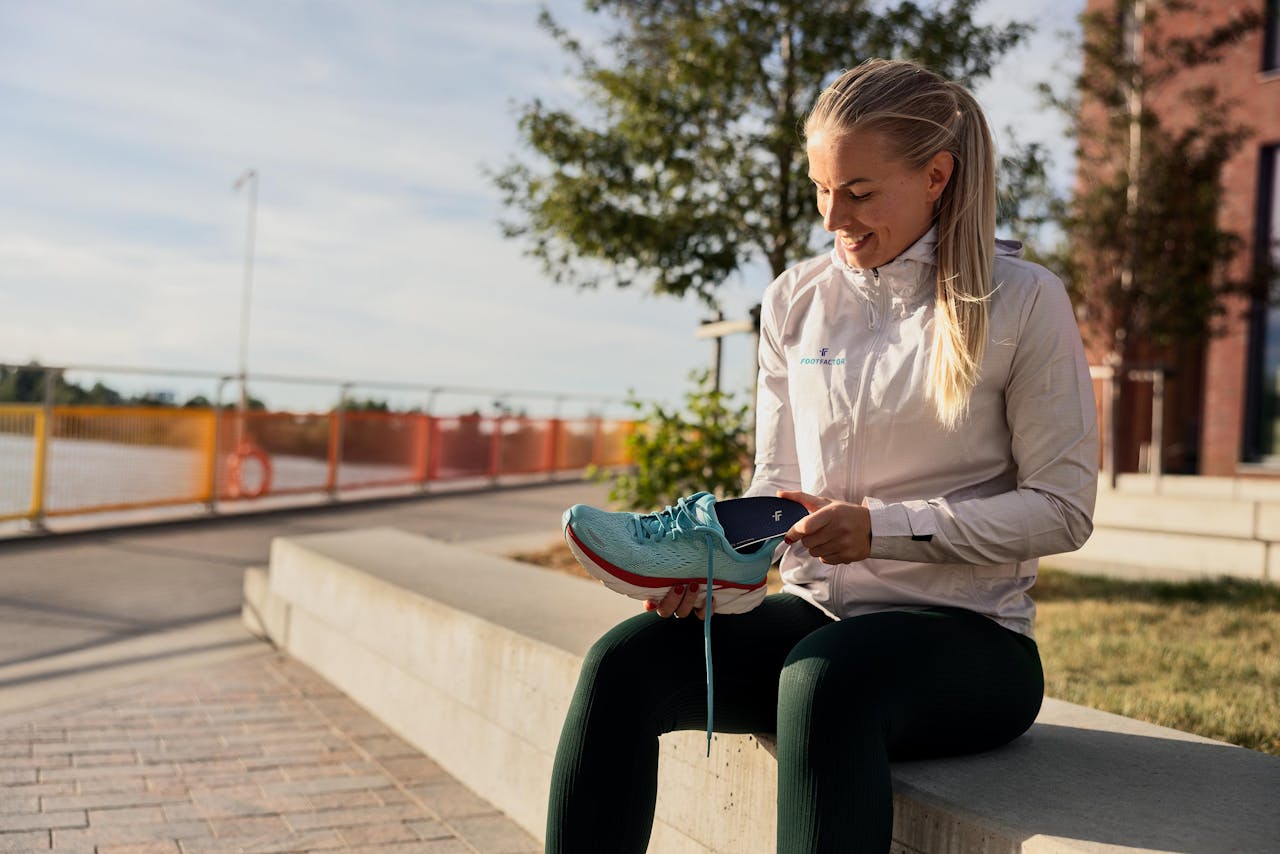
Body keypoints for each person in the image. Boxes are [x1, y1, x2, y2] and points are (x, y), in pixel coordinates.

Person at [545, 57, 1098, 853]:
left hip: (973, 644)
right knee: (626, 662)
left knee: (824, 683)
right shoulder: (795, 299)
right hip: (815, 617)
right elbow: (777, 486)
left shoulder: (1022, 299)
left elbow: (1064, 508)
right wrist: (720, 580)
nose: (833, 216)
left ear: (937, 175)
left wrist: (883, 529)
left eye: (860, 192)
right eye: (820, 189)